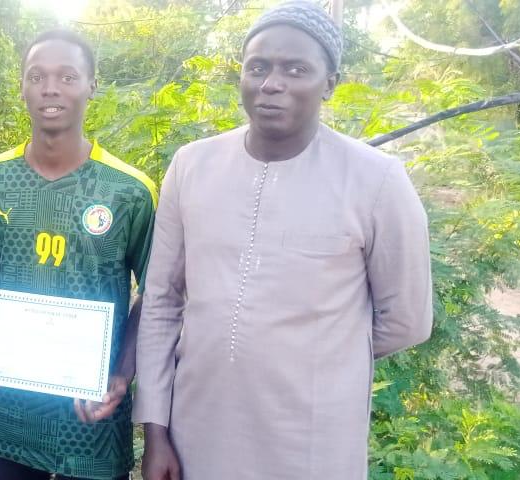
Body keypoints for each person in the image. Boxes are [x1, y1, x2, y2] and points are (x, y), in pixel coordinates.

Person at [134, 2, 434, 479]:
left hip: (313, 439)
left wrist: (314, 351)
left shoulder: (376, 180)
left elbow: (408, 321)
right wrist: (155, 429)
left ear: (330, 83)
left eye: (296, 69)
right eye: (258, 67)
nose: (272, 83)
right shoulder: (192, 166)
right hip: (197, 428)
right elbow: (161, 303)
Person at [0, 30, 157, 480]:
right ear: (23, 87)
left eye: (67, 76)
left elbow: (155, 294)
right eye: (37, 76)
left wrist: (122, 374)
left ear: (92, 86)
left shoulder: (129, 191)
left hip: (89, 415)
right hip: (7, 409)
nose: (50, 88)